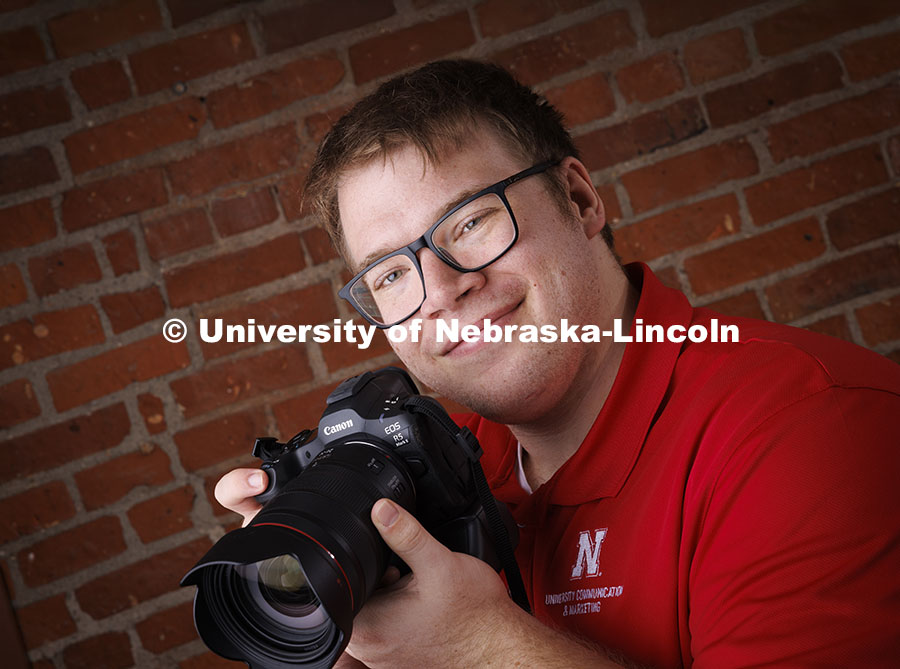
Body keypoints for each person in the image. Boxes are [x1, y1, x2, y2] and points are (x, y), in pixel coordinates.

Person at [215, 60, 900, 667]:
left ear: (579, 199)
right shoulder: (440, 472)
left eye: (470, 223)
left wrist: (480, 647)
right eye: (391, 274)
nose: (443, 288)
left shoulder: (809, 427)